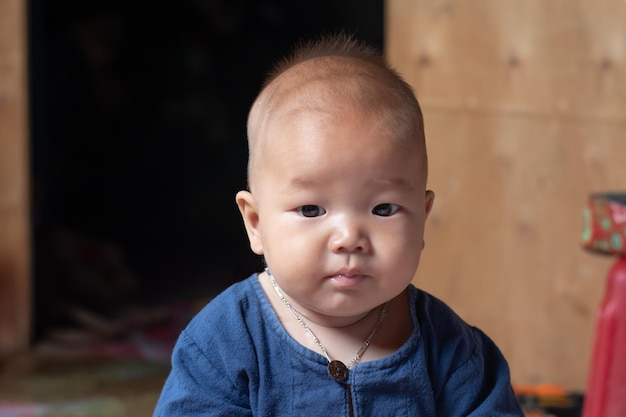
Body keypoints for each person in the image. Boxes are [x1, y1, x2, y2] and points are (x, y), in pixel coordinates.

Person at [153, 33, 524, 416]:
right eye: (312, 210)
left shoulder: (450, 347)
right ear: (256, 223)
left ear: (422, 219)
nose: (349, 239)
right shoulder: (224, 342)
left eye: (383, 210)